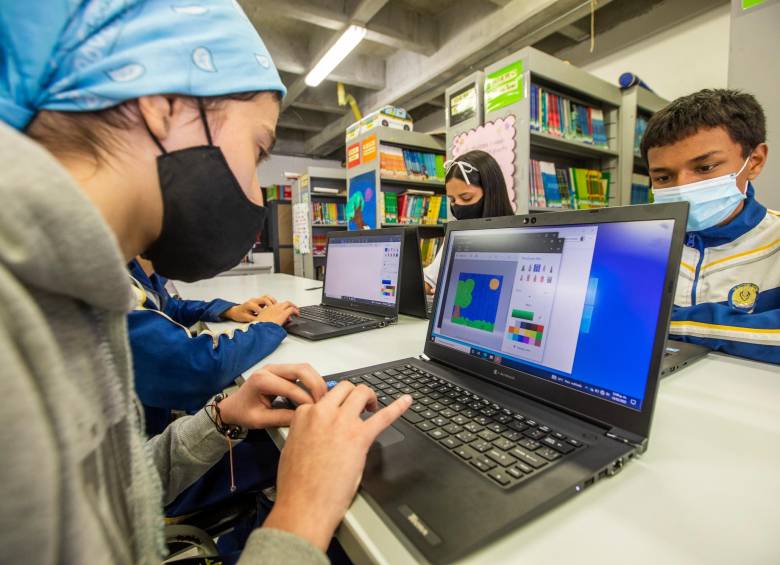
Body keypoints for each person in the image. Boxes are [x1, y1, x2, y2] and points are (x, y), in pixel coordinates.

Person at [0, 2, 410, 564]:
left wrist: (217, 419)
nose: (253, 194)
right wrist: (302, 514)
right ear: (162, 104)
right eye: (258, 149)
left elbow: (110, 499)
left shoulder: (65, 297)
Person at [642, 89, 779, 364]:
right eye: (664, 176)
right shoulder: (643, 244)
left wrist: (672, 325)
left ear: (754, 161)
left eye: (705, 168)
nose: (683, 188)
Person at [128, 256, 299, 434]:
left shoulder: (139, 275)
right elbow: (198, 368)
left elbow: (170, 307)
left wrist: (228, 310)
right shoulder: (113, 293)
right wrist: (264, 327)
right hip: (143, 443)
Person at [424, 150, 515, 292]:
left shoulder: (516, 237)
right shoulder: (457, 235)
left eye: (466, 198)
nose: (458, 206)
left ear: (491, 193)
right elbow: (428, 280)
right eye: (452, 200)